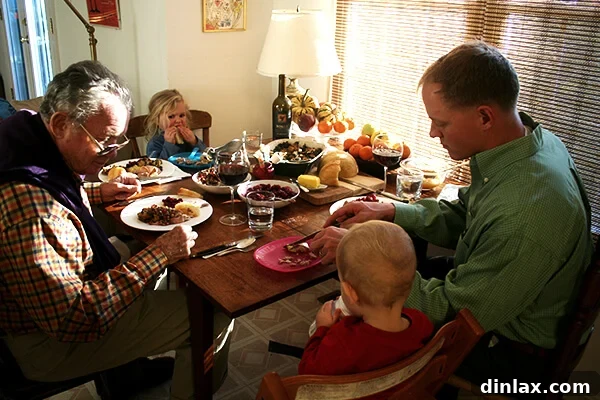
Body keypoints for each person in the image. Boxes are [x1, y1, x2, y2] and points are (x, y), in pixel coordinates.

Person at [310, 41, 593, 391]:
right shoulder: (529, 146)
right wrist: (391, 210)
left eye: (440, 122)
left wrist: (361, 260)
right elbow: (464, 213)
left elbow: (458, 312)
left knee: (352, 336)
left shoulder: (527, 211)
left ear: (485, 117)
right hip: (482, 288)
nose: (431, 133)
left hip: (508, 349)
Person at [0, 61, 229, 400]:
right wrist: (160, 254)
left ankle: (129, 371)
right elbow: (74, 319)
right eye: (105, 141)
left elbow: (54, 187)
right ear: (62, 123)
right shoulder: (33, 215)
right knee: (214, 312)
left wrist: (96, 192)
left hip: (53, 302)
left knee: (131, 248)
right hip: (46, 345)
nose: (111, 154)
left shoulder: (30, 135)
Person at [299, 221, 433, 378]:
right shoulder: (422, 323)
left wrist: (323, 328)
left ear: (350, 292)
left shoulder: (342, 342)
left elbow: (307, 371)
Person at [145, 89, 206, 159]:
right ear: (157, 120)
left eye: (181, 115)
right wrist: (169, 144)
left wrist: (194, 142)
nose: (178, 120)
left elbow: (205, 157)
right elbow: (158, 166)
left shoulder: (187, 138)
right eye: (171, 116)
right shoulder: (155, 143)